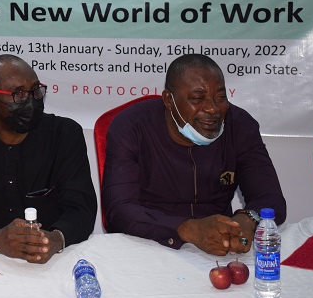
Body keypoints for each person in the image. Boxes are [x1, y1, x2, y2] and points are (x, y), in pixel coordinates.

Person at [102, 53, 287, 256]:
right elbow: (119, 210)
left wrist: (247, 220)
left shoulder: (240, 125)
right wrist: (187, 229)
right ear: (169, 100)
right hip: (149, 244)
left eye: (220, 98)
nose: (212, 109)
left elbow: (271, 198)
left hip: (220, 245)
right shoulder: (132, 127)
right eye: (197, 98)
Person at [0, 54, 97, 264]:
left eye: (35, 90)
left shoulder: (65, 135)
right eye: (18, 94)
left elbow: (81, 208)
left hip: (52, 261)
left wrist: (56, 239)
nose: (31, 100)